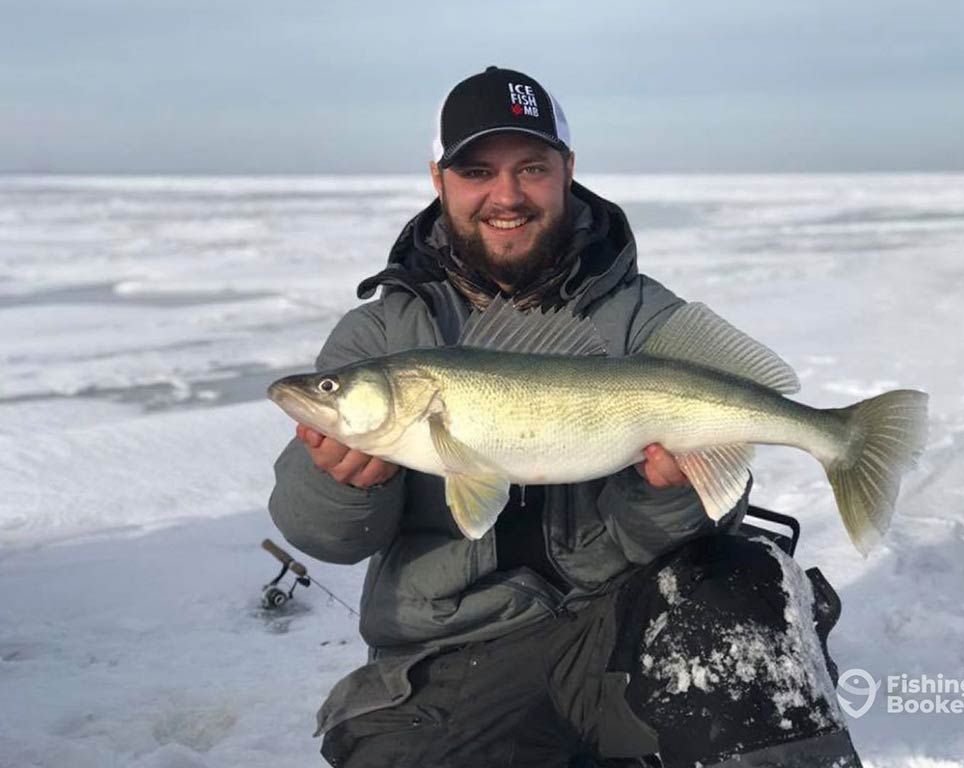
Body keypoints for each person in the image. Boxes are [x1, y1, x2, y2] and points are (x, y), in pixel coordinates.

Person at [269, 66, 863, 767]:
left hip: (618, 630)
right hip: (451, 657)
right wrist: (343, 485)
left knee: (741, 575)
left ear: (567, 170)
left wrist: (666, 492)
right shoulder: (380, 336)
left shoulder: (642, 318)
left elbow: (706, 528)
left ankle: (842, 442)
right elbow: (323, 536)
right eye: (477, 172)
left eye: (532, 168)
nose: (506, 195)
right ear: (438, 179)